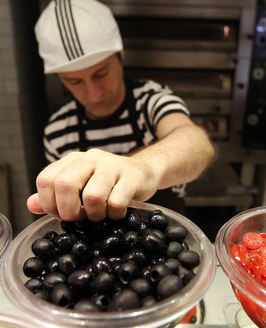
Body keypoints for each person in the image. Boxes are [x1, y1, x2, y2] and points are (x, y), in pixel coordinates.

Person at [31, 0, 216, 222]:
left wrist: (143, 168)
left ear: (120, 54)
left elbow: (195, 143)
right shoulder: (58, 131)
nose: (93, 93)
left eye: (101, 73)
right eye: (74, 81)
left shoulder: (150, 100)